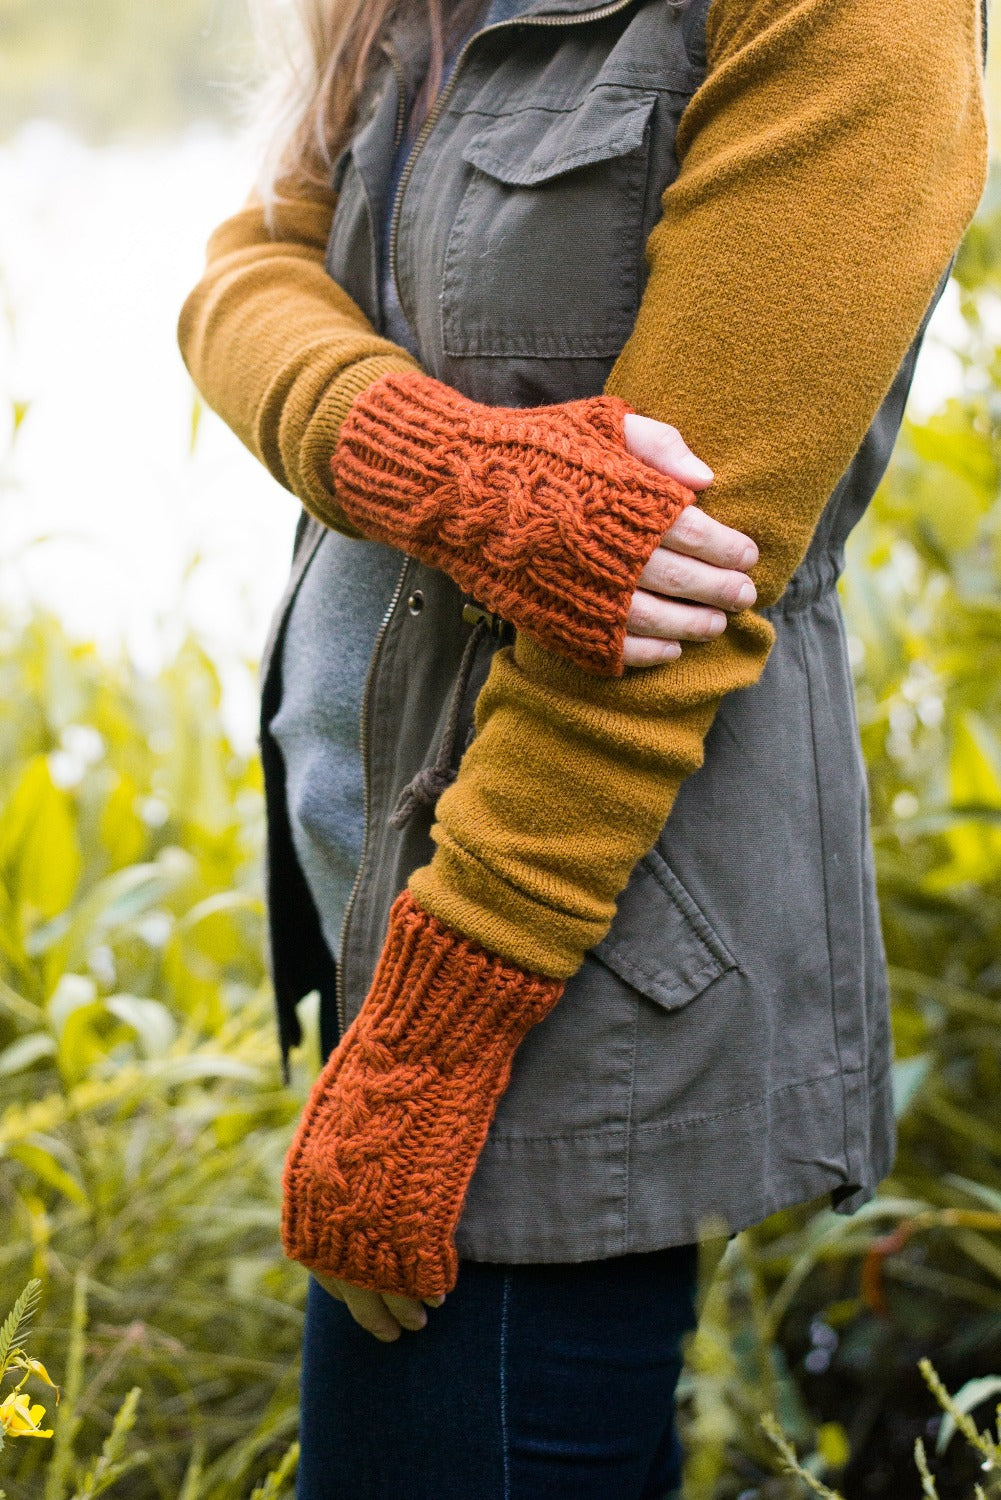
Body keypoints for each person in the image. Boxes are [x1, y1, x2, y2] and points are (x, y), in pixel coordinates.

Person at [178, 0, 988, 1493]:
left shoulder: (853, 19)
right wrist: (417, 455)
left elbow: (675, 597)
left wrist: (433, 1044)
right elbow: (243, 272)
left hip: (555, 960)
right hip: (389, 915)